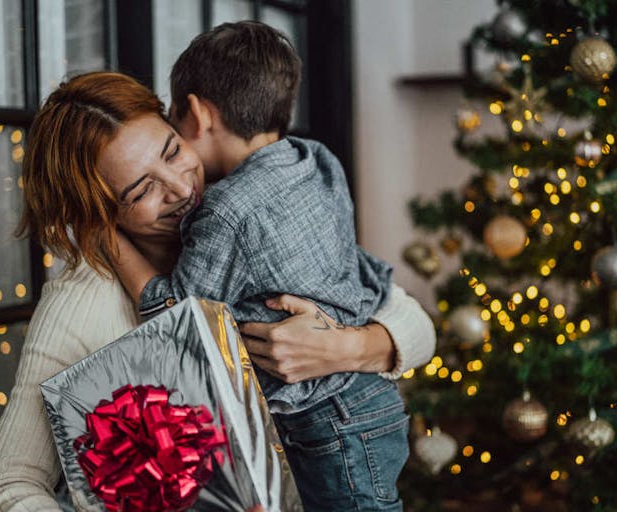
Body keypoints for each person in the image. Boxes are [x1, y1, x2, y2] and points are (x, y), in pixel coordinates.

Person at [0, 72, 435, 511]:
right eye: (140, 190)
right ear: (96, 213)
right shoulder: (82, 301)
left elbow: (417, 326)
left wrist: (348, 348)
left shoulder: (247, 214)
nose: (181, 188)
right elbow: (4, 486)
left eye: (172, 152)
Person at [108, 21, 413, 510]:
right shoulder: (315, 158)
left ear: (196, 113)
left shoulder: (227, 211)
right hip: (370, 400)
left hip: (328, 421)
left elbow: (180, 322)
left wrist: (108, 237)